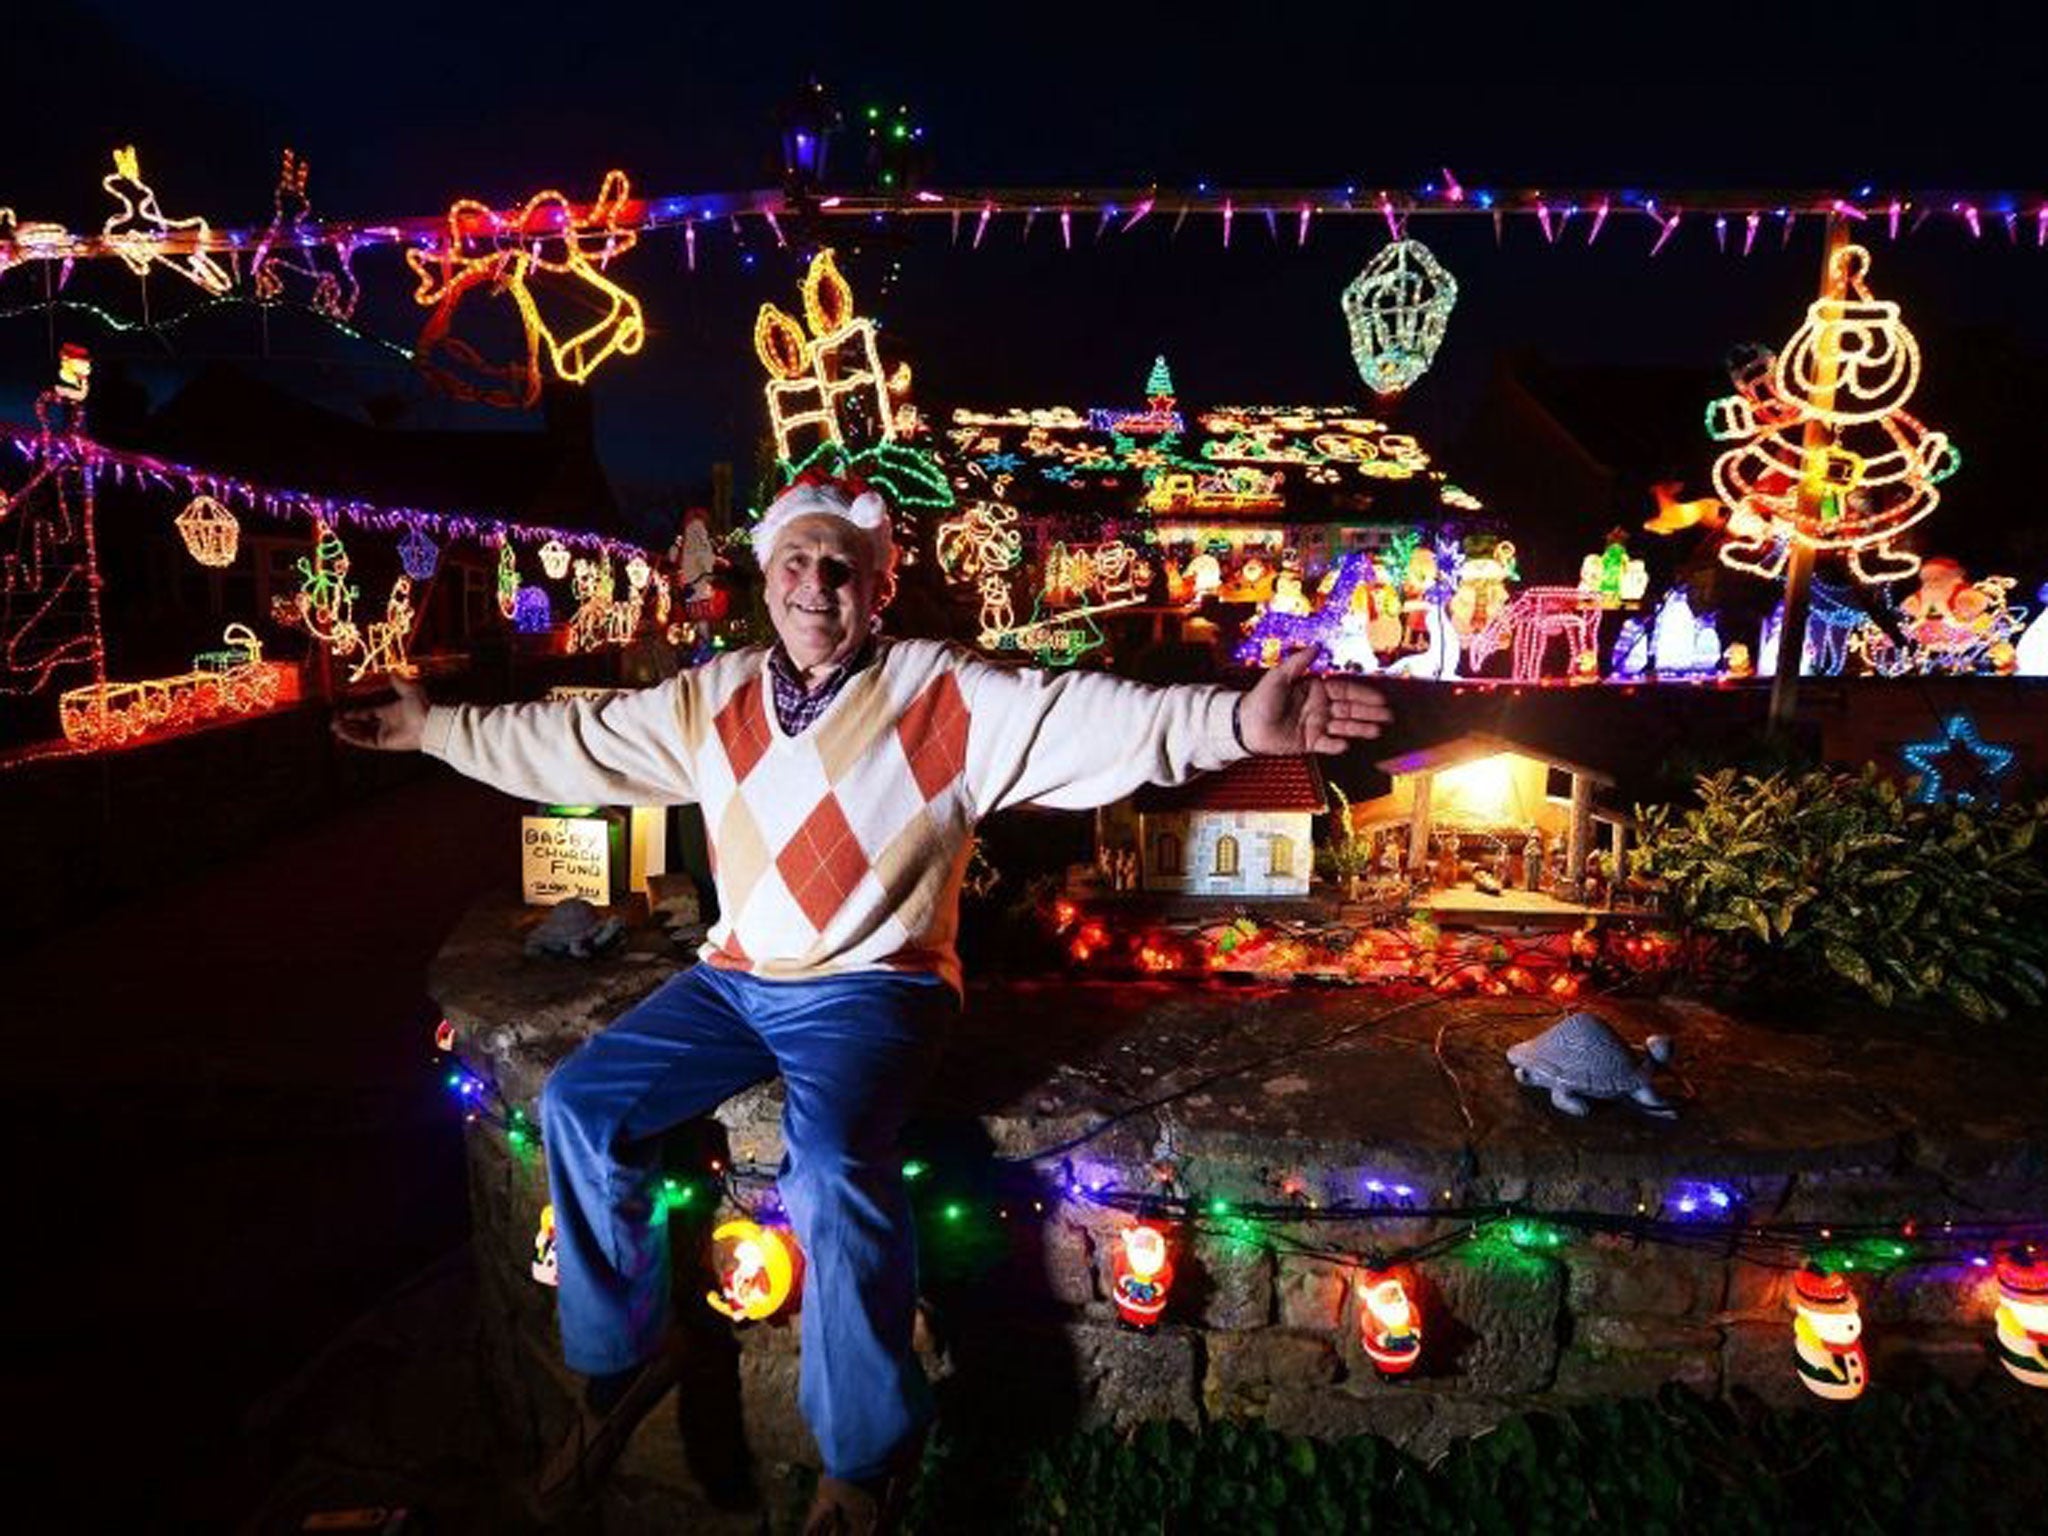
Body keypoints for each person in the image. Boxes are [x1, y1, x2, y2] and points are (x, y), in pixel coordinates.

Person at [333, 477, 1390, 1532]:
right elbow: (575, 740)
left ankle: (864, 1459)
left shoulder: (943, 693)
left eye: (842, 566)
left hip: (874, 987)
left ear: (878, 588)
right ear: (766, 576)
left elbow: (1088, 718)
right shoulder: (718, 694)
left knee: (834, 1162)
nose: (815, 582)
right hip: (737, 978)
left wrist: (1236, 720)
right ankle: (620, 1359)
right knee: (578, 1102)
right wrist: (435, 728)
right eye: (797, 560)